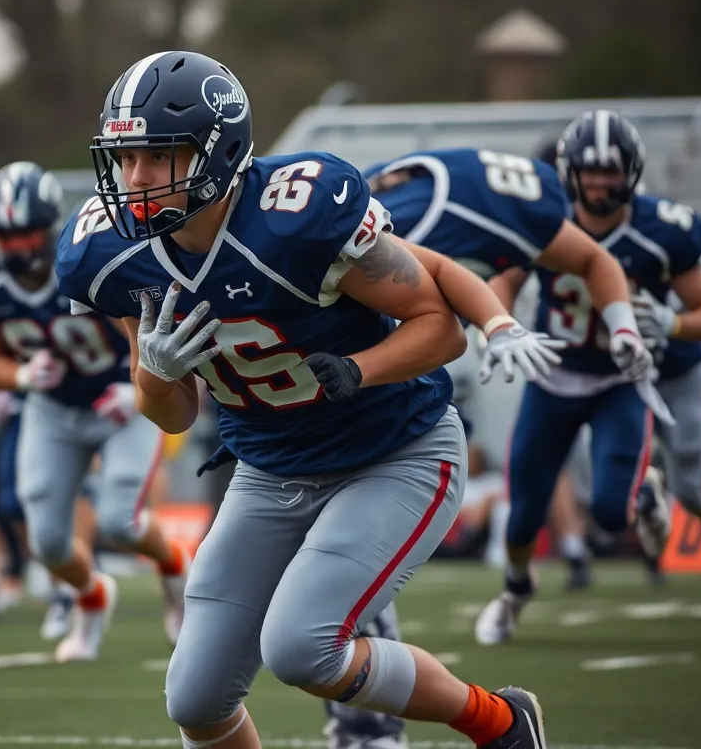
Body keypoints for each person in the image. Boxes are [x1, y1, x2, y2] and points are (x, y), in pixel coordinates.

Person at [57, 50, 546, 749]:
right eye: (126, 156)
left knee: (301, 647)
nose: (135, 178)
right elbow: (175, 413)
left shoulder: (297, 214)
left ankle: (500, 723)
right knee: (195, 698)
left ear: (219, 150)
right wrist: (156, 376)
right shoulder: (108, 254)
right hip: (269, 468)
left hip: (394, 452)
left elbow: (439, 329)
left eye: (159, 155)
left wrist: (358, 369)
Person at [478, 110, 701, 649]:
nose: (598, 183)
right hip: (554, 378)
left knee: (612, 515)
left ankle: (649, 488)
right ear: (569, 172)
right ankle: (516, 589)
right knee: (523, 516)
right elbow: (503, 281)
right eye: (589, 171)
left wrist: (671, 323)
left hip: (621, 381)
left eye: (609, 172)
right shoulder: (546, 218)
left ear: (631, 172)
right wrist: (497, 327)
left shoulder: (661, 230)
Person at [0, 161, 190, 662]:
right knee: (48, 542)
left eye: (27, 235)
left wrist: (138, 387)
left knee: (120, 522)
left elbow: (140, 335)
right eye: (5, 237)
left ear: (49, 229)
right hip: (52, 408)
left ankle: (175, 571)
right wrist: (23, 377)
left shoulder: (83, 260)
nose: (16, 248)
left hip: (121, 404)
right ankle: (91, 597)